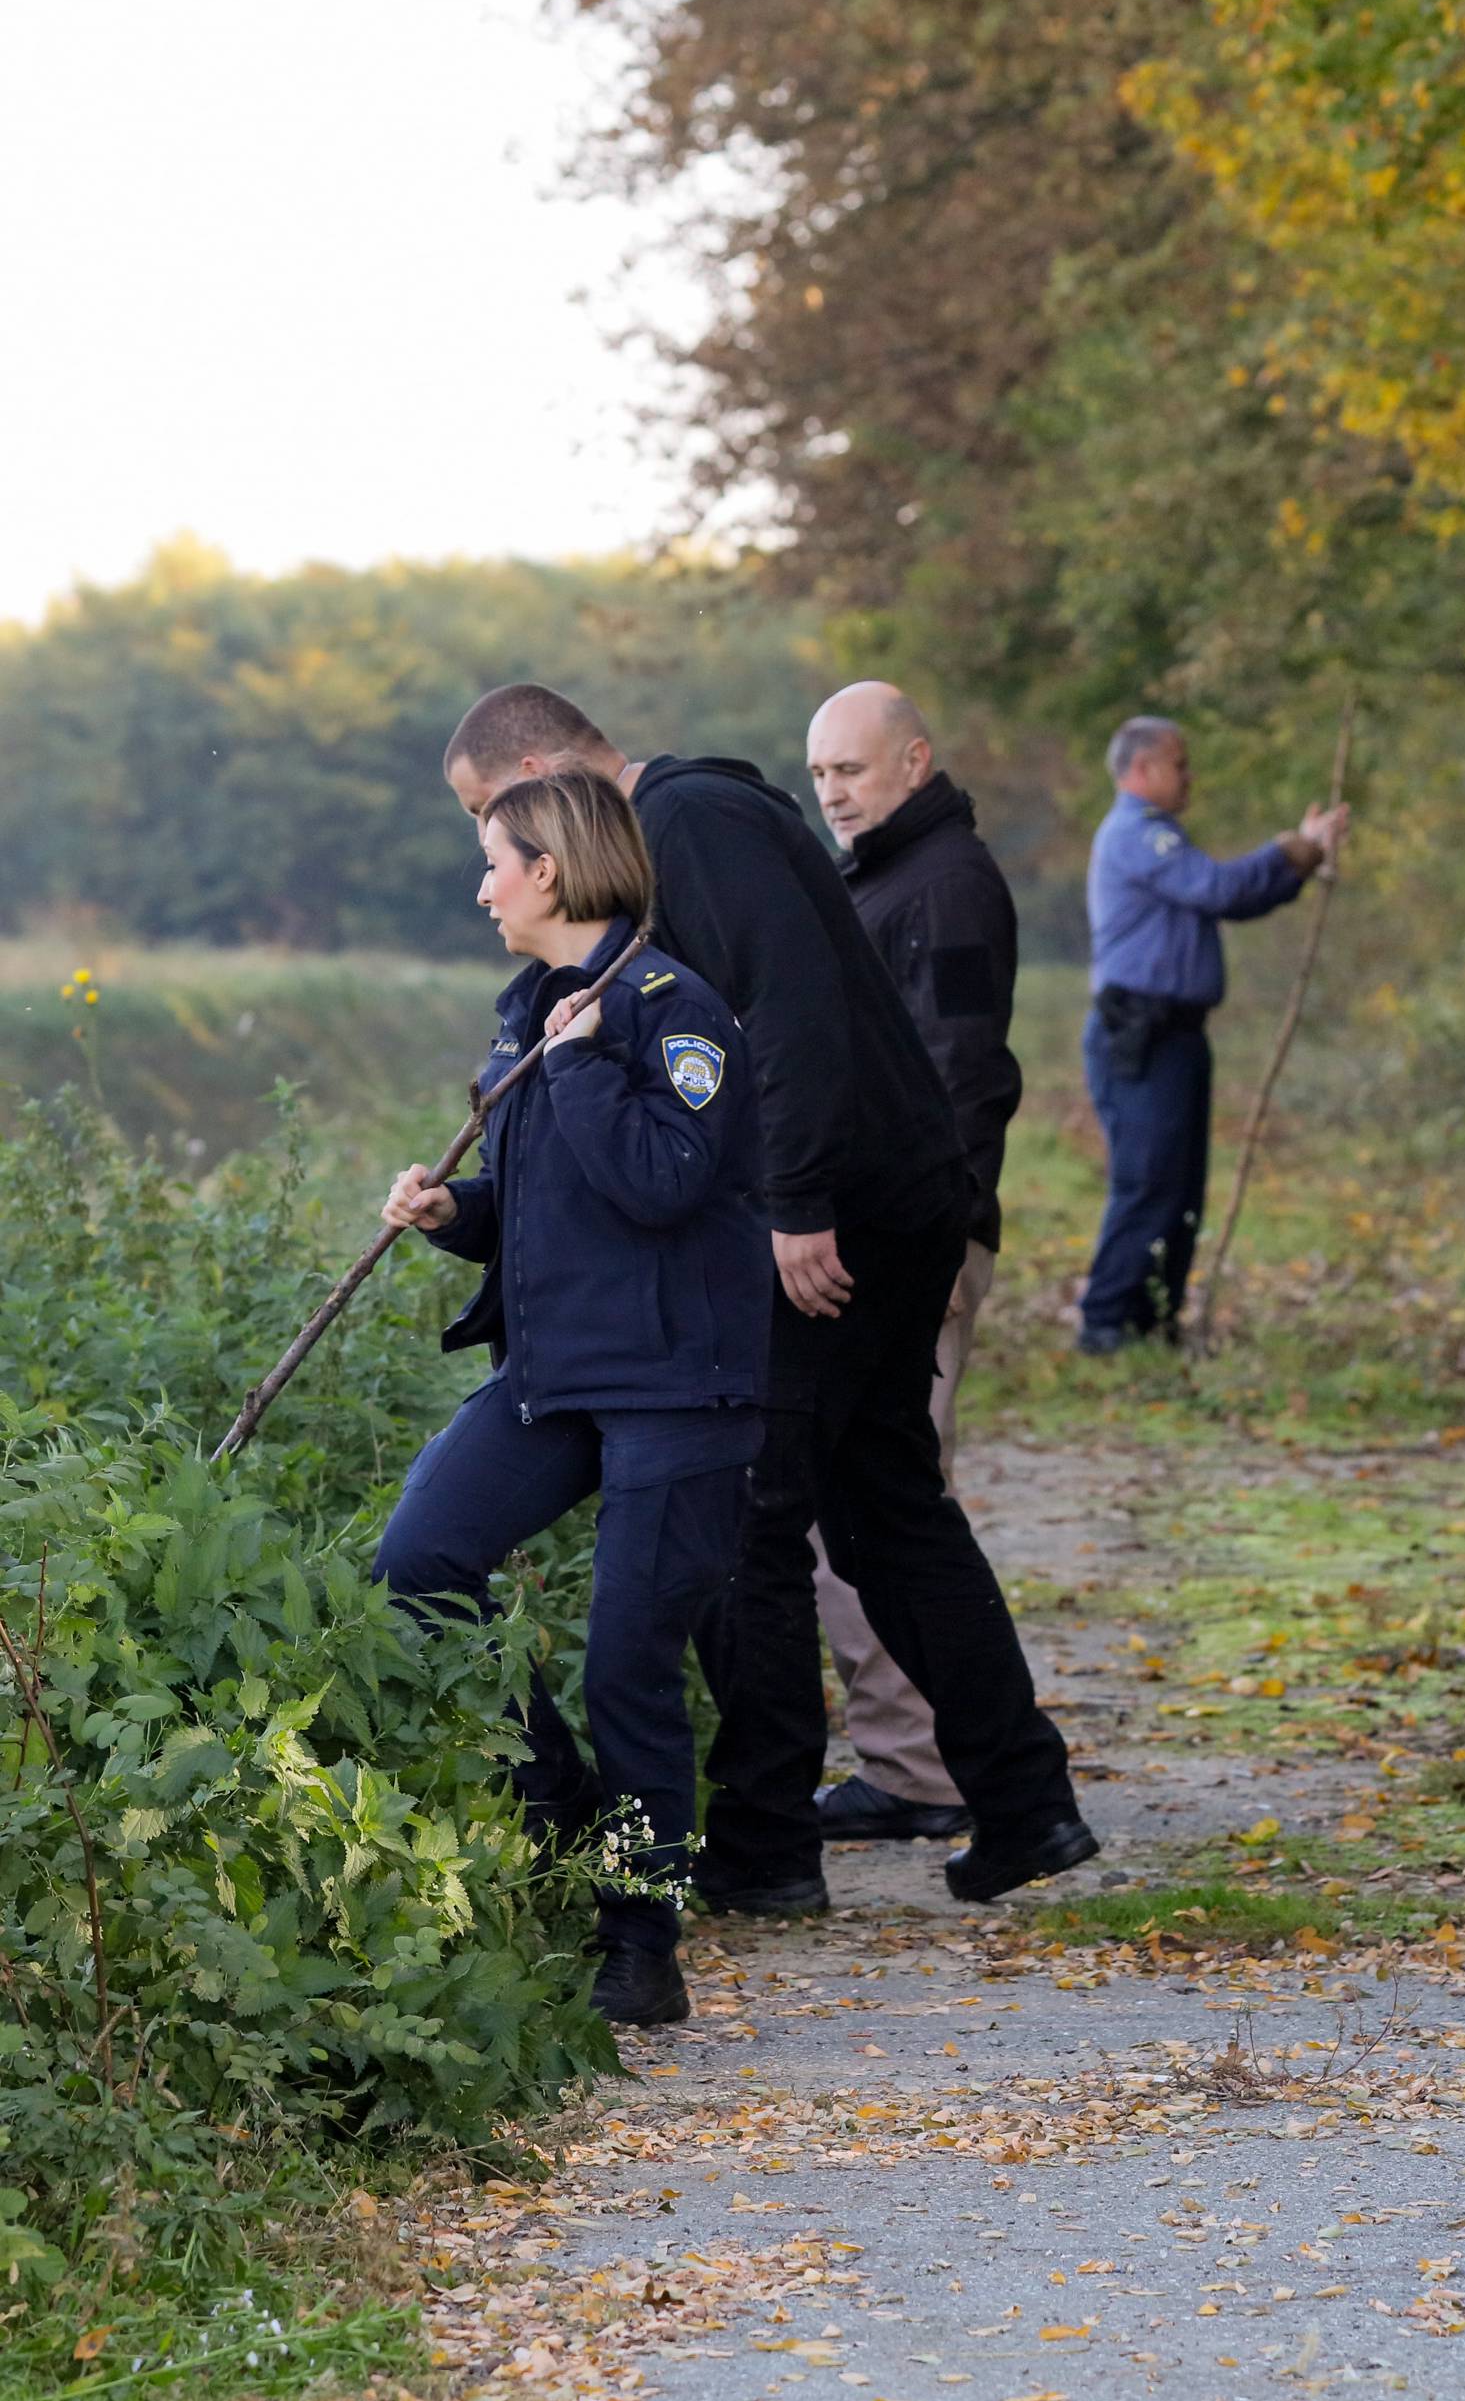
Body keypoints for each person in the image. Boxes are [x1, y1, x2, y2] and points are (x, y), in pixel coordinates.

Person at [440, 683, 1097, 1916]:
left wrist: (795, 1205)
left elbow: (789, 1005)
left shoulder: (690, 821)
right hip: (887, 1193)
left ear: (540, 771)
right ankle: (1023, 1801)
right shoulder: (691, 824)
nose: (497, 852)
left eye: (496, 814)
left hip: (844, 1214)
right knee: (884, 1503)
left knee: (757, 1519)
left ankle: (764, 1846)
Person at [375, 767, 768, 2031]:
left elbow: (660, 1182)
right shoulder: (532, 1006)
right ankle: (560, 1810)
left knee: (629, 1665)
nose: (480, 883)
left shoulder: (668, 1009)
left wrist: (588, 1062)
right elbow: (563, 1202)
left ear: (548, 868)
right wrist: (455, 1212)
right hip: (553, 1375)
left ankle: (640, 1939)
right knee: (416, 1562)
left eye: (493, 858)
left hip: (677, 1387)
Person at [804, 680, 1021, 1843]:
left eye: (854, 768)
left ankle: (925, 1771)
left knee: (888, 1506)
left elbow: (964, 1078)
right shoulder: (884, 877)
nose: (835, 790)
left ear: (915, 761)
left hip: (916, 1244)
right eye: (822, 772)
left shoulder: (944, 888)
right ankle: (922, 1757)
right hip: (892, 1236)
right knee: (875, 1503)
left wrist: (936, 1242)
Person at [1079, 716, 1348, 1350]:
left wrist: (1301, 864)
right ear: (1141, 771)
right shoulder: (1135, 834)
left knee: (1180, 1187)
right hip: (1139, 1034)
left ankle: (1154, 1319)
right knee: (1146, 1181)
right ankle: (1106, 1323)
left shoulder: (1163, 836)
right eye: (1179, 763)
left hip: (1177, 1035)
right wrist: (1293, 848)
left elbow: (1236, 900)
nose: (1189, 775)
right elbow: (1219, 887)